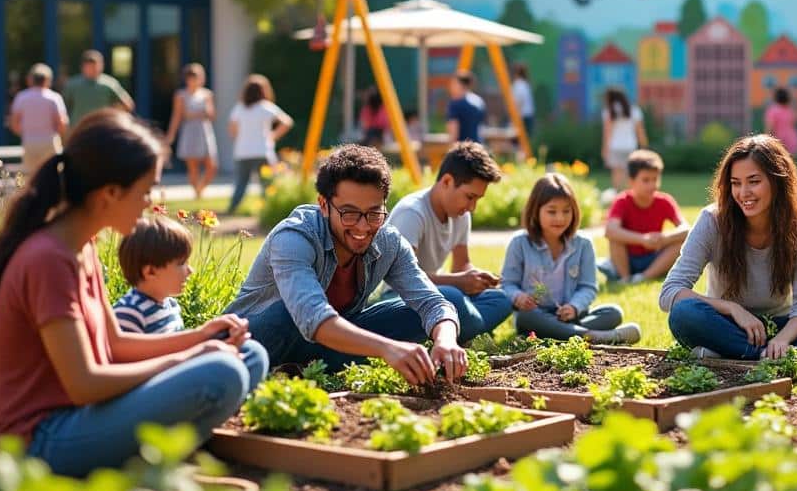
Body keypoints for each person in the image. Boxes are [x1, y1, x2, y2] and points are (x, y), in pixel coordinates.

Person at [0, 110, 268, 477]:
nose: (149, 202)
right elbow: (85, 385)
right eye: (145, 191)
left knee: (248, 354)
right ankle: (151, 466)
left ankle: (149, 459)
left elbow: (116, 345)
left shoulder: (82, 246)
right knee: (221, 373)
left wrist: (202, 336)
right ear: (110, 193)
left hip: (82, 419)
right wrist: (190, 357)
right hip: (40, 443)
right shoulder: (49, 259)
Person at [226, 145, 469, 383]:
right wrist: (387, 348)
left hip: (327, 342)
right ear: (324, 205)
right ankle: (280, 369)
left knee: (433, 308)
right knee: (286, 312)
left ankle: (306, 368)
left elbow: (432, 302)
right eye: (349, 213)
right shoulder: (294, 237)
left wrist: (446, 339)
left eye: (374, 213)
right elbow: (312, 316)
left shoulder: (389, 242)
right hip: (253, 340)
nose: (363, 227)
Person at [661, 134, 797, 361]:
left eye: (754, 181)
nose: (743, 192)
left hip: (781, 327)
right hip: (726, 325)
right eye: (736, 183)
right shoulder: (712, 220)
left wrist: (781, 340)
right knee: (684, 313)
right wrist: (732, 309)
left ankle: (739, 355)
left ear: (777, 181)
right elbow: (671, 291)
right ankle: (772, 358)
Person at [387, 142, 512, 340]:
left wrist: (478, 279)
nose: (472, 207)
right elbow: (402, 278)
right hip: (400, 297)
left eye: (477, 199)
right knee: (453, 297)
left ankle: (458, 328)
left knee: (502, 299)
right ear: (446, 181)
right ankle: (466, 328)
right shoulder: (412, 212)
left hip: (437, 294)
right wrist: (458, 281)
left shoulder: (461, 215)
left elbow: (461, 265)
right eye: (470, 197)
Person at [501, 173, 640, 344]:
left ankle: (562, 334)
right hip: (536, 316)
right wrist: (518, 297)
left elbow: (588, 286)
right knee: (525, 318)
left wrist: (574, 307)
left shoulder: (583, 244)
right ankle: (592, 336)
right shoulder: (520, 243)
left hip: (571, 317)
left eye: (566, 211)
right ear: (535, 212)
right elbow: (507, 284)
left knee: (613, 313)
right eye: (552, 211)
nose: (560, 218)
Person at [597, 149, 689, 284]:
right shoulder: (622, 201)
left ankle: (643, 277)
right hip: (627, 258)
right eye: (646, 180)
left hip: (654, 258)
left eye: (655, 179)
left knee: (680, 244)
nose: (652, 185)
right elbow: (610, 230)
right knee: (615, 239)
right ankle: (625, 277)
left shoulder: (665, 201)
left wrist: (665, 238)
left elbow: (686, 229)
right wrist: (642, 239)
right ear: (631, 181)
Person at [113, 215, 195, 335]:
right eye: (181, 263)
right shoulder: (129, 314)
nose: (190, 270)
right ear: (150, 272)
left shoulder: (170, 304)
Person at [228, 74, 293, 215]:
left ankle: (232, 208)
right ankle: (267, 210)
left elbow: (232, 130)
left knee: (240, 184)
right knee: (267, 184)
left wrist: (241, 138)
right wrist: (273, 135)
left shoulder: (239, 108)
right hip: (262, 151)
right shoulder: (266, 107)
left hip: (243, 152)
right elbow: (287, 122)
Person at [165, 63, 218, 200]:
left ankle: (200, 189)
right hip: (190, 132)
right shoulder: (181, 95)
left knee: (212, 165)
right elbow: (177, 116)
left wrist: (201, 113)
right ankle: (197, 194)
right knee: (193, 166)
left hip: (204, 131)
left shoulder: (207, 94)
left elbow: (212, 115)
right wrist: (171, 135)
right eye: (192, 77)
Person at [10, 63, 68, 176]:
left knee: (31, 177)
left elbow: (14, 122)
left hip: (29, 142)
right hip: (50, 142)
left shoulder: (22, 97)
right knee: (52, 176)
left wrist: (25, 133)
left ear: (31, 80)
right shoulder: (54, 98)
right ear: (47, 80)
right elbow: (62, 122)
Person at [64, 49, 134, 126]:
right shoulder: (72, 84)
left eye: (95, 66)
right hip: (79, 128)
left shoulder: (110, 84)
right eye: (89, 67)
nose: (93, 69)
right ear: (83, 67)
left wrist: (111, 115)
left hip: (102, 127)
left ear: (102, 65)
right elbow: (64, 108)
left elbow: (127, 104)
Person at [601, 88, 646, 191]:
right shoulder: (634, 110)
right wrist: (644, 146)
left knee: (617, 172)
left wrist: (604, 149)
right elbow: (640, 131)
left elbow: (607, 132)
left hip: (614, 146)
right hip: (630, 146)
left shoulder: (609, 111)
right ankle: (629, 194)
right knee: (630, 172)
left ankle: (617, 194)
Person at [446, 72, 486, 144]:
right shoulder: (479, 101)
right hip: (477, 146)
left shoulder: (456, 104)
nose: (451, 87)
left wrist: (451, 146)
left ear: (460, 85)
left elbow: (454, 130)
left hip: (462, 147)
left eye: (454, 83)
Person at [764, 87, 797, 157]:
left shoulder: (773, 111)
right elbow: (795, 121)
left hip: (779, 142)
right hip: (792, 141)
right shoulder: (790, 111)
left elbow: (770, 128)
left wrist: (767, 143)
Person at [511, 63, 536, 140]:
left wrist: (515, 118)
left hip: (522, 117)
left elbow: (519, 102)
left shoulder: (519, 84)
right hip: (527, 115)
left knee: (520, 141)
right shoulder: (525, 84)